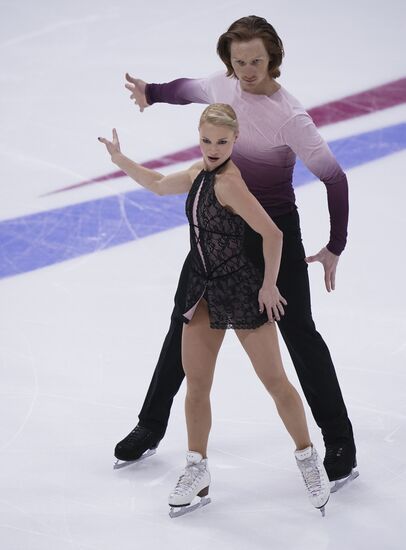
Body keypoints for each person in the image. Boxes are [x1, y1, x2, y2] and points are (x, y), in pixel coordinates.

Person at [116, 15, 357, 489]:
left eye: (257, 60)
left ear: (273, 59)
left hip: (273, 231)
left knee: (300, 335)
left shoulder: (290, 116)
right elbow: (186, 89)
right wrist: (152, 92)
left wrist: (335, 245)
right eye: (239, 60)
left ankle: (340, 442)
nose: (247, 70)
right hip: (219, 228)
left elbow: (335, 177)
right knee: (182, 324)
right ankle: (151, 424)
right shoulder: (222, 85)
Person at [99, 103, 331, 515]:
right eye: (206, 139)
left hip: (241, 291)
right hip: (202, 292)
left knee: (276, 382)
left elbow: (273, 235)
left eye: (221, 142)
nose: (212, 147)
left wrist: (268, 286)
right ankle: (197, 468)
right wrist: (121, 160)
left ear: (234, 141)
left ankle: (308, 458)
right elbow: (156, 183)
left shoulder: (230, 184)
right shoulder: (198, 173)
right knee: (196, 386)